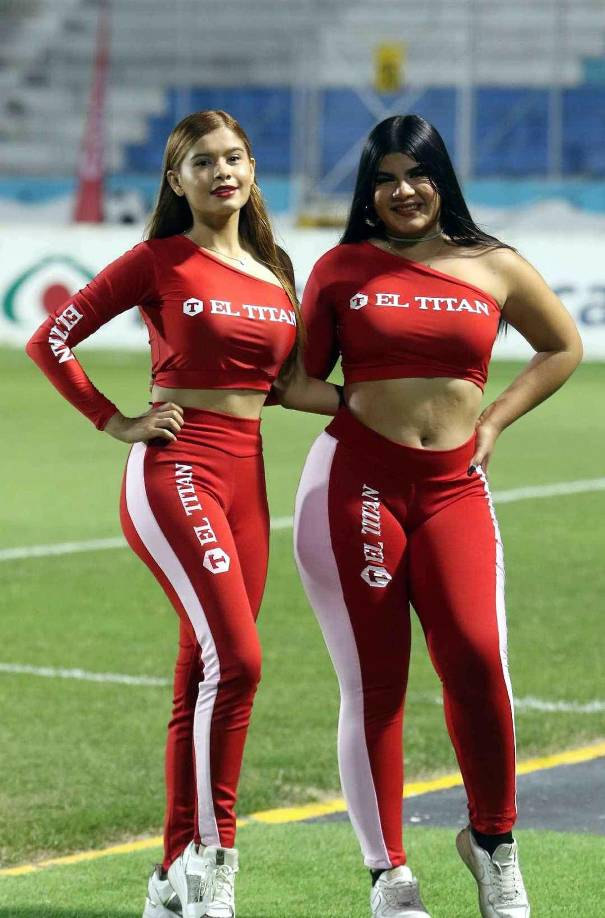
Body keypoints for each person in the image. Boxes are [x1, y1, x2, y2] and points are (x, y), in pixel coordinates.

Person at [25, 109, 339, 918]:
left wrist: (400, 406)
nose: (222, 172)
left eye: (235, 157)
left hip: (248, 475)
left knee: (203, 670)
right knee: (238, 663)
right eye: (203, 162)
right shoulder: (158, 259)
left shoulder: (276, 271)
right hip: (176, 469)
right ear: (177, 180)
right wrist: (115, 419)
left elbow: (292, 388)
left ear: (252, 169)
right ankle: (212, 860)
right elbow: (49, 340)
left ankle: (168, 874)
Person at [293, 114, 582, 918]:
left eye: (414, 174)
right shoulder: (340, 268)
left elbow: (560, 347)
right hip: (356, 487)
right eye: (384, 178)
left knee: (480, 667)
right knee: (374, 686)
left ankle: (492, 846)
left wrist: (491, 422)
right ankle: (388, 876)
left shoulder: (493, 264)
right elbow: (295, 380)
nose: (401, 191)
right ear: (368, 190)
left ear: (440, 178)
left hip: (454, 489)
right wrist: (350, 398)